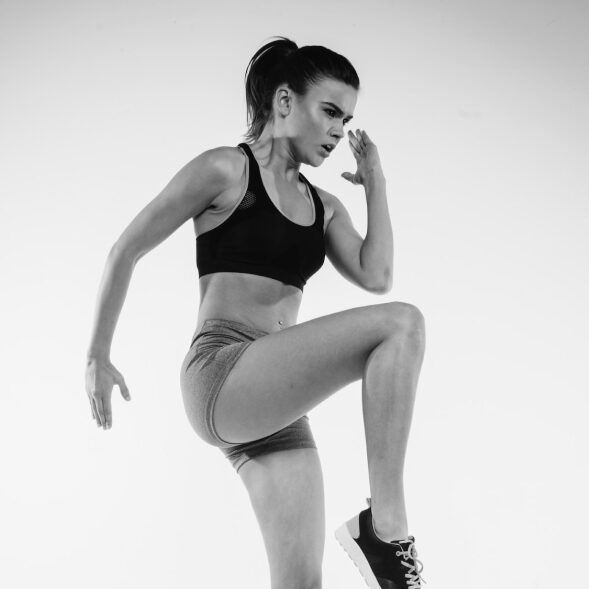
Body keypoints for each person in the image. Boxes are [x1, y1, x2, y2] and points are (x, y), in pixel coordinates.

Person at [85, 36, 426, 589]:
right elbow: (125, 249)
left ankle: (381, 537)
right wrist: (97, 355)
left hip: (275, 405)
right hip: (222, 370)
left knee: (301, 583)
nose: (338, 131)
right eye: (330, 112)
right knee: (402, 323)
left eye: (347, 119)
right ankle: (385, 532)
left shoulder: (324, 207)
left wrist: (376, 184)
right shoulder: (226, 170)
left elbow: (376, 274)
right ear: (285, 101)